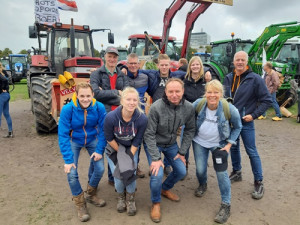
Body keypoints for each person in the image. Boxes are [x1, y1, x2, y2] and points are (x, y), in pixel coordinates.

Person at [144, 78, 195, 223]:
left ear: (183, 91)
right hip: (154, 143)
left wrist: (182, 152)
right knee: (157, 173)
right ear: (165, 92)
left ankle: (164, 189)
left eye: (177, 91)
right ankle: (156, 203)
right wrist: (155, 158)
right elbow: (149, 134)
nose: (174, 95)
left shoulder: (188, 108)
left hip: (171, 144)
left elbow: (190, 129)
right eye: (170, 91)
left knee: (181, 171)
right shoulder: (156, 107)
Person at [223, 51, 272, 200]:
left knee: (251, 151)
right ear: (233, 61)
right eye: (237, 60)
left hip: (246, 122)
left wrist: (254, 115)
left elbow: (267, 100)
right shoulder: (228, 77)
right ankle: (237, 172)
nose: (239, 62)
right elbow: (224, 97)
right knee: (235, 148)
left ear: (246, 61)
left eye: (242, 60)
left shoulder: (255, 79)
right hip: (231, 122)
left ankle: (258, 181)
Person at [192, 80, 242, 224]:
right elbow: (187, 117)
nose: (212, 95)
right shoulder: (198, 104)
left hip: (219, 145)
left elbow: (238, 127)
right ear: (205, 93)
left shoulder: (229, 108)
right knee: (200, 170)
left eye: (216, 92)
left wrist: (228, 145)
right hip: (199, 142)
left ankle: (226, 204)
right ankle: (203, 184)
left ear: (221, 94)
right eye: (209, 92)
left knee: (221, 174)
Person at [58, 82, 107, 222]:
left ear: (93, 95)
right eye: (82, 96)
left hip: (92, 139)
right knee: (72, 173)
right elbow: (63, 135)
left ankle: (91, 194)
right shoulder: (68, 109)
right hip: (75, 140)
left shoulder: (99, 107)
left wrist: (99, 150)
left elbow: (104, 130)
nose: (85, 99)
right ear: (76, 95)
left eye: (88, 96)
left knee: (100, 168)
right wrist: (68, 160)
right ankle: (80, 203)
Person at [164, 56, 212, 177]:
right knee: (184, 143)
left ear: (201, 66)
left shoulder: (206, 81)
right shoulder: (184, 80)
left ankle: (201, 173)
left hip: (202, 119)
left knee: (199, 146)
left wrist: (207, 71)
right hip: (187, 117)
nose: (195, 67)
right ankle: (183, 166)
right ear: (189, 67)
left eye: (198, 65)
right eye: (193, 65)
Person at [103, 87, 148, 216]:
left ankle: (131, 199)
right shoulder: (111, 117)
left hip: (131, 148)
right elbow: (109, 138)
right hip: (114, 148)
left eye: (134, 100)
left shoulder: (142, 119)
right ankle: (121, 197)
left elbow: (137, 140)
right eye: (128, 99)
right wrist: (121, 154)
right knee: (118, 175)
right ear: (122, 101)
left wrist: (128, 157)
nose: (131, 102)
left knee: (129, 172)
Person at [90, 46, 129, 185]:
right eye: (109, 56)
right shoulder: (96, 75)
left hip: (119, 116)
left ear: (117, 58)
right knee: (99, 147)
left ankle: (112, 177)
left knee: (114, 145)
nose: (112, 59)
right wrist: (116, 92)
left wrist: (108, 93)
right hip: (102, 115)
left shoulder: (122, 75)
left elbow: (126, 94)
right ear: (104, 57)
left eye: (114, 57)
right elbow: (96, 94)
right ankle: (91, 180)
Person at [125, 53, 149, 178]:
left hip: (140, 116)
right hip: (126, 116)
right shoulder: (122, 76)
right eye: (131, 63)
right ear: (127, 64)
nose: (133, 65)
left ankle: (136, 165)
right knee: (126, 142)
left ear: (139, 64)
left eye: (135, 63)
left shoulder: (145, 77)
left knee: (137, 143)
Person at [0, 63, 13, 138]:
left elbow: (4, 80)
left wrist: (3, 88)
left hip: (1, 95)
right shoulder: (4, 72)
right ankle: (10, 132)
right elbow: (6, 79)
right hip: (7, 95)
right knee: (6, 114)